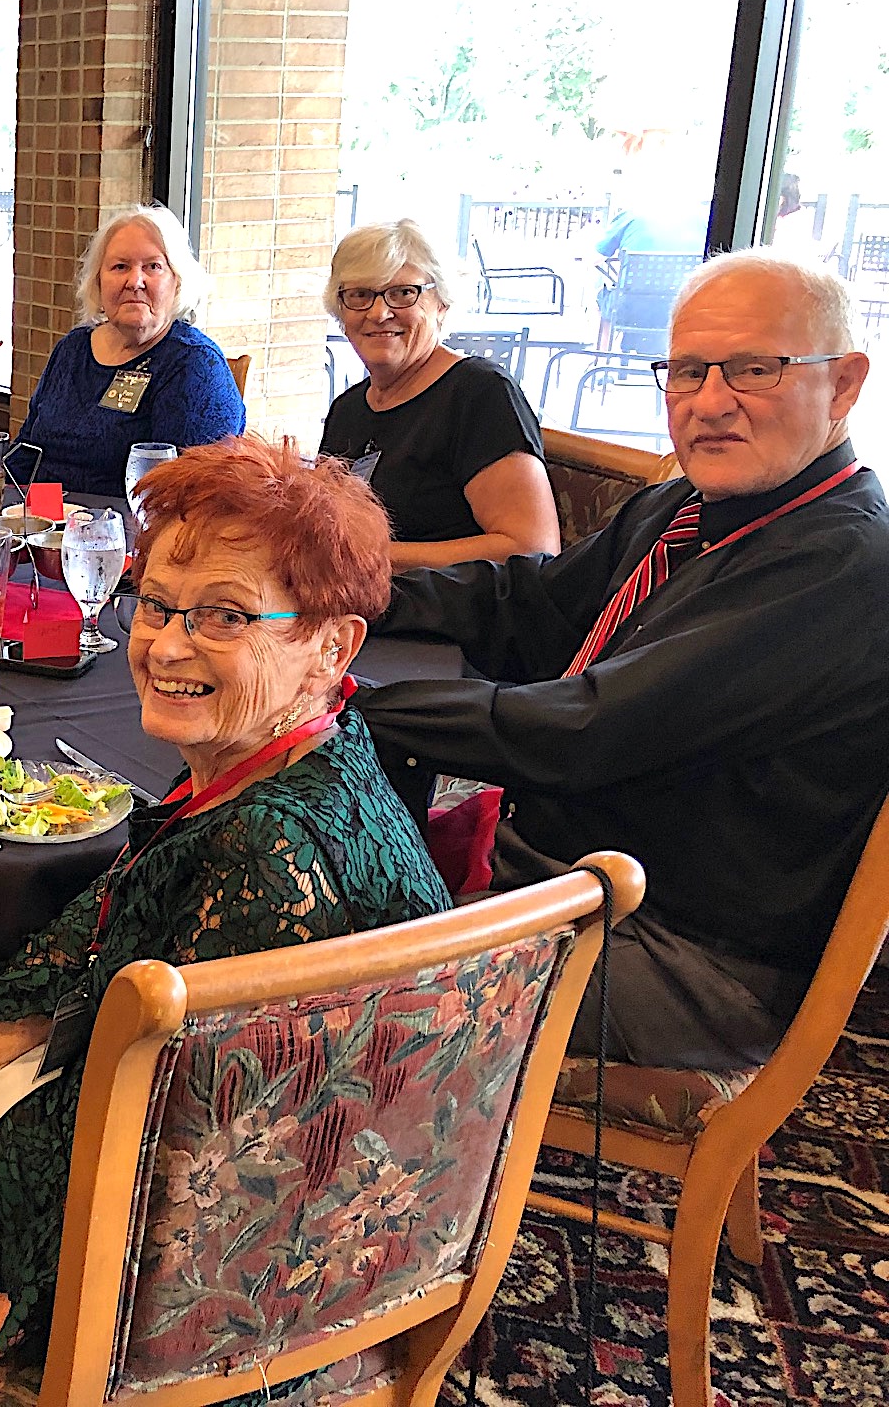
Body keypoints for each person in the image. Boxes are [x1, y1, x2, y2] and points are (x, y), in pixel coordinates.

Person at [0, 437, 450, 1406]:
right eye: (157, 604)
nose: (168, 644)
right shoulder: (304, 760)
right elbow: (79, 959)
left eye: (226, 616)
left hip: (237, 1301)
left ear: (333, 646)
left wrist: (16, 1311)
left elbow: (201, 1172)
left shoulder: (272, 860)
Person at [355, 251, 889, 1072]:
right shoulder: (688, 504)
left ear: (844, 385)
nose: (711, 403)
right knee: (318, 869)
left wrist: (355, 706)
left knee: (298, 987)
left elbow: (586, 729)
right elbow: (527, 604)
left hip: (683, 956)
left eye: (755, 370)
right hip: (577, 876)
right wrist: (349, 595)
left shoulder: (843, 564)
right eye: (686, 372)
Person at [318, 220, 559, 568]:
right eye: (360, 295)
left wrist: (372, 561)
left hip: (447, 614)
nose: (379, 313)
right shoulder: (348, 409)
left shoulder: (480, 394)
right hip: (358, 606)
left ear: (442, 304)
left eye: (402, 293)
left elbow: (532, 549)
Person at [12, 205, 244, 496]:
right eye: (120, 266)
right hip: (40, 523)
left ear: (178, 281)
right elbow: (25, 454)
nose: (135, 281)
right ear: (98, 279)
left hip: (128, 534)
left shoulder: (194, 365)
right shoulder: (73, 349)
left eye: (153, 266)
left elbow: (189, 498)